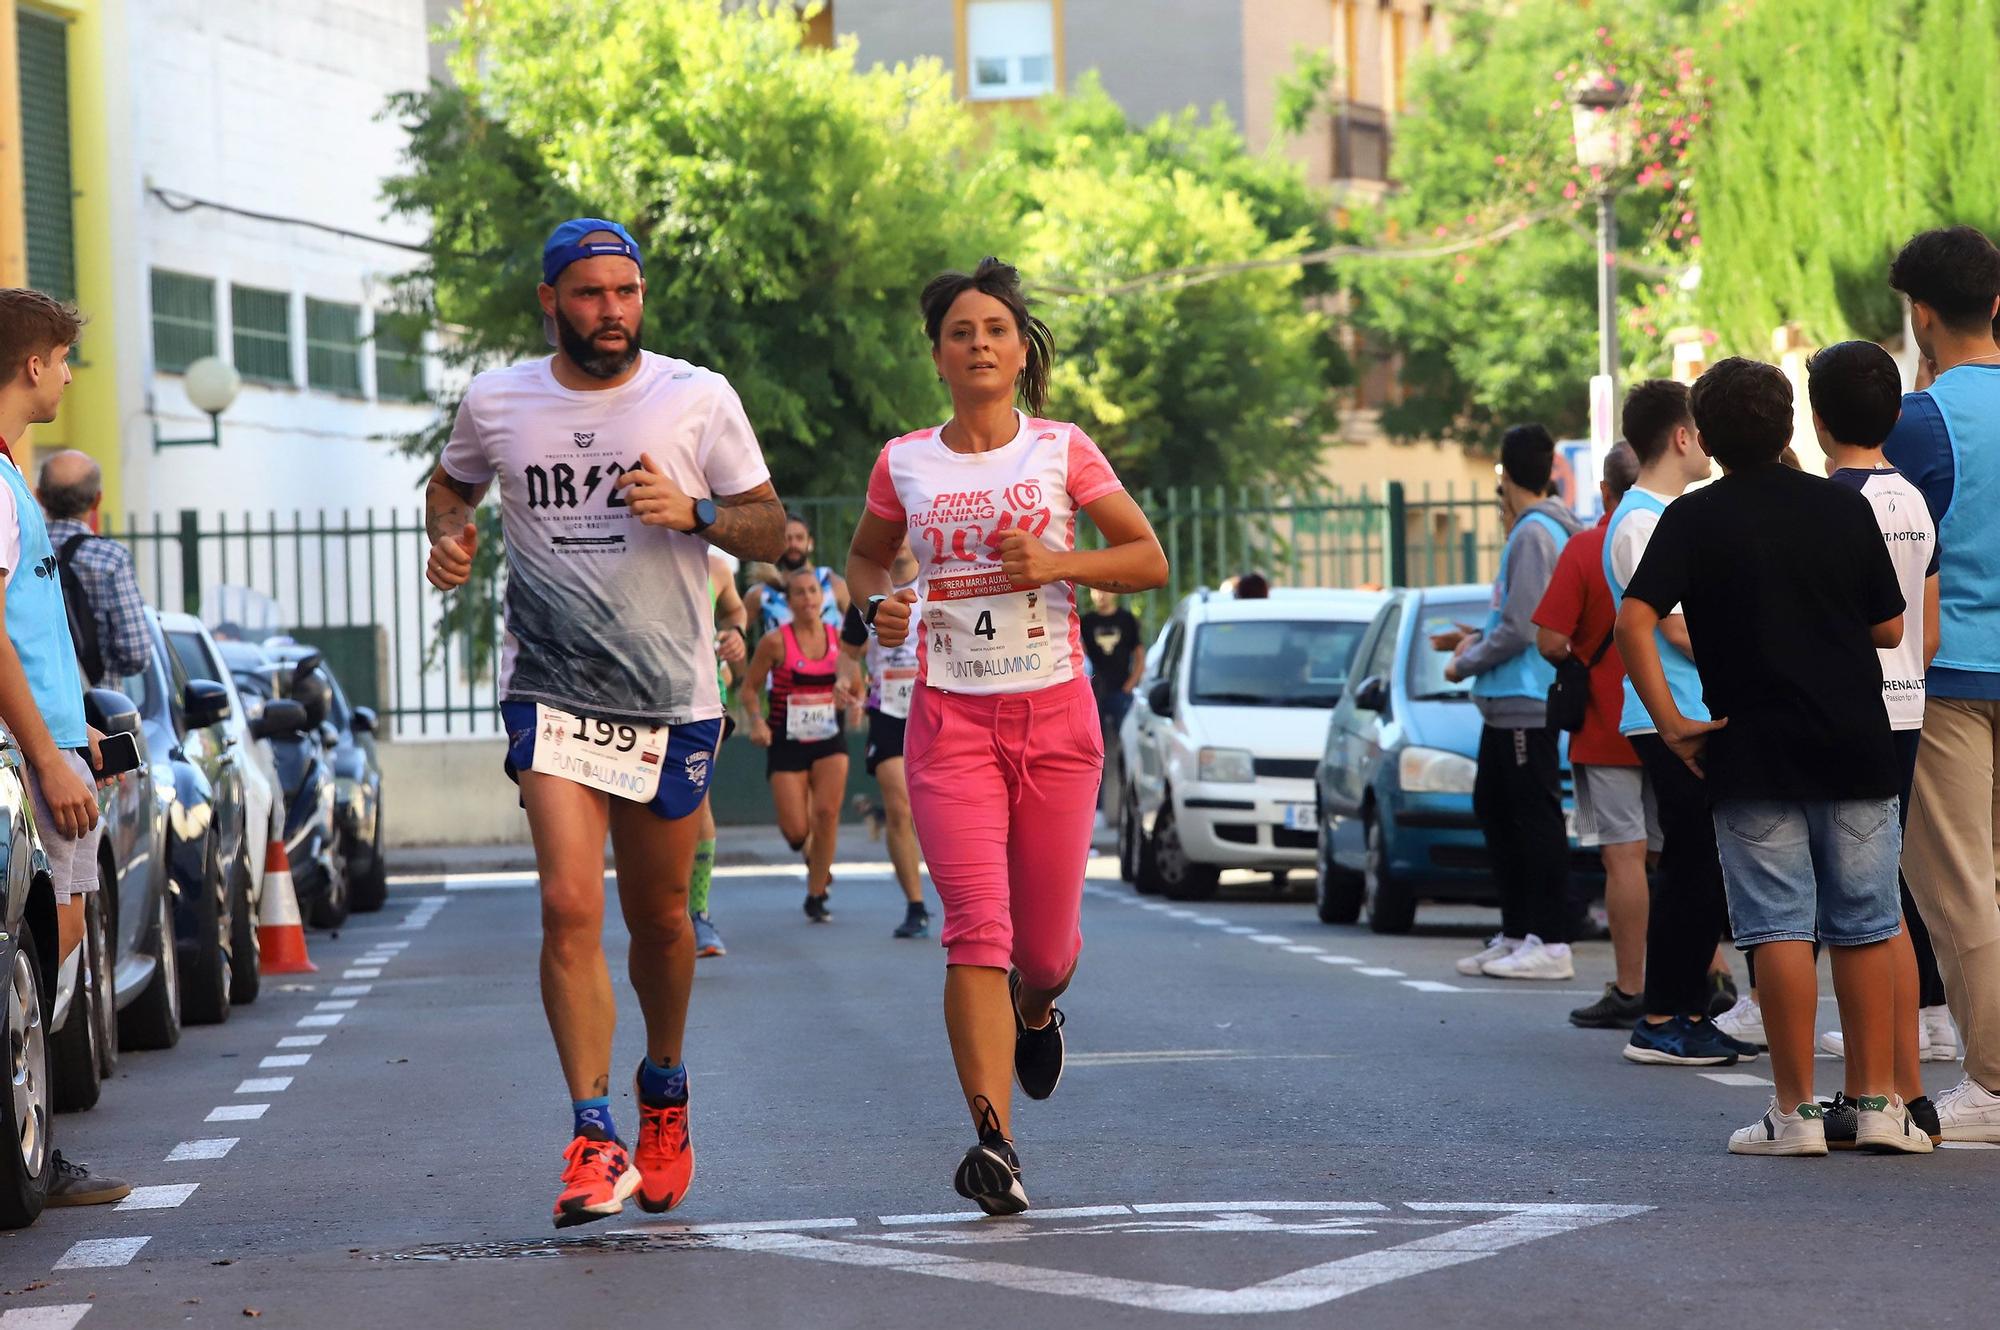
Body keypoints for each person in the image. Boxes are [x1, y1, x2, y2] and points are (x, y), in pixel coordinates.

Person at [425, 219, 785, 1226]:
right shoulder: (497, 400)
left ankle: (661, 1091)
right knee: (567, 905)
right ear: (549, 300)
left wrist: (698, 513)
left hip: (668, 696)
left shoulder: (693, 395)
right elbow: (450, 487)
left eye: (625, 292)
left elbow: (770, 520)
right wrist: (448, 539)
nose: (611, 312)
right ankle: (592, 1134)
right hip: (551, 690)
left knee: (662, 918)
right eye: (588, 294)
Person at [847, 257, 1168, 1214]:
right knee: (975, 931)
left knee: (1047, 951)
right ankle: (995, 1144)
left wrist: (1061, 558)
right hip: (949, 721)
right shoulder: (904, 460)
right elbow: (867, 561)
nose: (979, 343)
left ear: (1021, 348)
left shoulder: (1063, 449)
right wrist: (879, 613)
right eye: (961, 332)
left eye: (996, 328)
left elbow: (1148, 558)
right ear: (939, 355)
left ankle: (1039, 1012)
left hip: (1057, 715)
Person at [1617, 355, 1926, 1156]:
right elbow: (1890, 628)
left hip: (1749, 747)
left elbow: (1633, 621)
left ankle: (1795, 1114)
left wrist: (1673, 721)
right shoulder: (1840, 509)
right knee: (1864, 924)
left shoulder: (1691, 519)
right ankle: (1879, 1105)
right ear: (1793, 425)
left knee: (1778, 926)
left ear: (1709, 440)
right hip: (1856, 742)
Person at [0, 288, 129, 1208]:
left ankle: (34, 1158)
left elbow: (29, 623)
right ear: (32, 364)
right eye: (62, 359)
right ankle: (25, 1163)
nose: (70, 374)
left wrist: (72, 726)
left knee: (53, 962)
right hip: (27, 768)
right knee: (40, 967)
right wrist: (45, 753)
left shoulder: (12, 475)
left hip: (51, 749)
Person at [1805, 339, 1945, 1146]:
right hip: (1908, 708)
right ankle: (1907, 1088)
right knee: (1884, 902)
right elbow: (1920, 635)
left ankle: (1879, 1091)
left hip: (1845, 714)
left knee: (1859, 912)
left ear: (1819, 421)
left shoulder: (1828, 504)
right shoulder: (1917, 501)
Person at [1882, 225, 2000, 1142]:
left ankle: (1993, 1086)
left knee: (1961, 888)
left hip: (1952, 672)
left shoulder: (1922, 419)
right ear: (1996, 303)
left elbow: (1890, 537)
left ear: (1922, 315)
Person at [1603, 381, 1754, 1067]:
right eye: (1701, 430)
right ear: (1682, 437)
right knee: (1691, 867)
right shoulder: (1640, 521)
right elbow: (1673, 627)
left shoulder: (1669, 512)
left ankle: (1688, 1007)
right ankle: (1661, 1015)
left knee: (1702, 867)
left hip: (1694, 710)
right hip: (1671, 715)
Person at [1435, 425, 1583, 980]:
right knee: (1496, 811)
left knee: (1531, 819)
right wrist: (1474, 637)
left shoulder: (1533, 534)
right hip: (1507, 700)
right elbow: (1516, 617)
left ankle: (1551, 938)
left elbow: (1524, 628)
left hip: (1525, 698)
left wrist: (1461, 662)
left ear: (1504, 474)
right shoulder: (1535, 530)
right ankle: (1520, 931)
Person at [1533, 440, 1657, 1026]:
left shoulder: (1587, 546)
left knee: (1624, 858)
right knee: (1676, 855)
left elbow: (1549, 640)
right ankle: (1706, 973)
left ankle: (1632, 986)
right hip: (1675, 716)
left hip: (1608, 725)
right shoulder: (1675, 531)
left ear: (1604, 490)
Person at [836, 538, 931, 938]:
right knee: (899, 806)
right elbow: (848, 654)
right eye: (893, 534)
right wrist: (847, 682)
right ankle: (916, 905)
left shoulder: (935, 583)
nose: (900, 542)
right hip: (888, 710)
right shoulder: (866, 592)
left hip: (938, 706)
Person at [741, 566, 847, 922]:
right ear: (789, 602)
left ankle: (816, 893)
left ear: (822, 597)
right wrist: (757, 721)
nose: (807, 599)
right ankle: (813, 856)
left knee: (828, 814)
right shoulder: (775, 642)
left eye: (813, 592)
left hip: (830, 736)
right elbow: (749, 688)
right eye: (799, 593)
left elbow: (855, 681)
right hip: (786, 737)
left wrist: (849, 693)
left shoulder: (838, 636)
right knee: (796, 831)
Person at [36, 450, 151, 687]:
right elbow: (135, 653)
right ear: (97, 500)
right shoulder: (110, 558)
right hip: (99, 707)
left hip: (29, 707)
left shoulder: (20, 549)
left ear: (39, 497)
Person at [689, 549, 749, 959]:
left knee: (697, 798)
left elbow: (735, 613)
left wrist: (736, 636)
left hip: (706, 698)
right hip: (639, 695)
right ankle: (660, 909)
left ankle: (697, 912)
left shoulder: (717, 567)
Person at [1078, 588, 1144, 815]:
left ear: (1114, 592)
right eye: (1096, 590)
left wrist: (1129, 686)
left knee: (1127, 748)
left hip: (1120, 692)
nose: (1101, 595)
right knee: (1094, 750)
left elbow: (1139, 656)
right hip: (1094, 693)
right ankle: (1097, 808)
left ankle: (1130, 801)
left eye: (1105, 590)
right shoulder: (1086, 622)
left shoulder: (1126, 620)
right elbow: (1080, 655)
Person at [744, 513, 848, 636]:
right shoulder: (763, 593)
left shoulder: (832, 583)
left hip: (833, 653)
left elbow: (862, 631)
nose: (793, 544)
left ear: (810, 542)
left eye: (799, 538)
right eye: (787, 539)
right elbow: (734, 631)